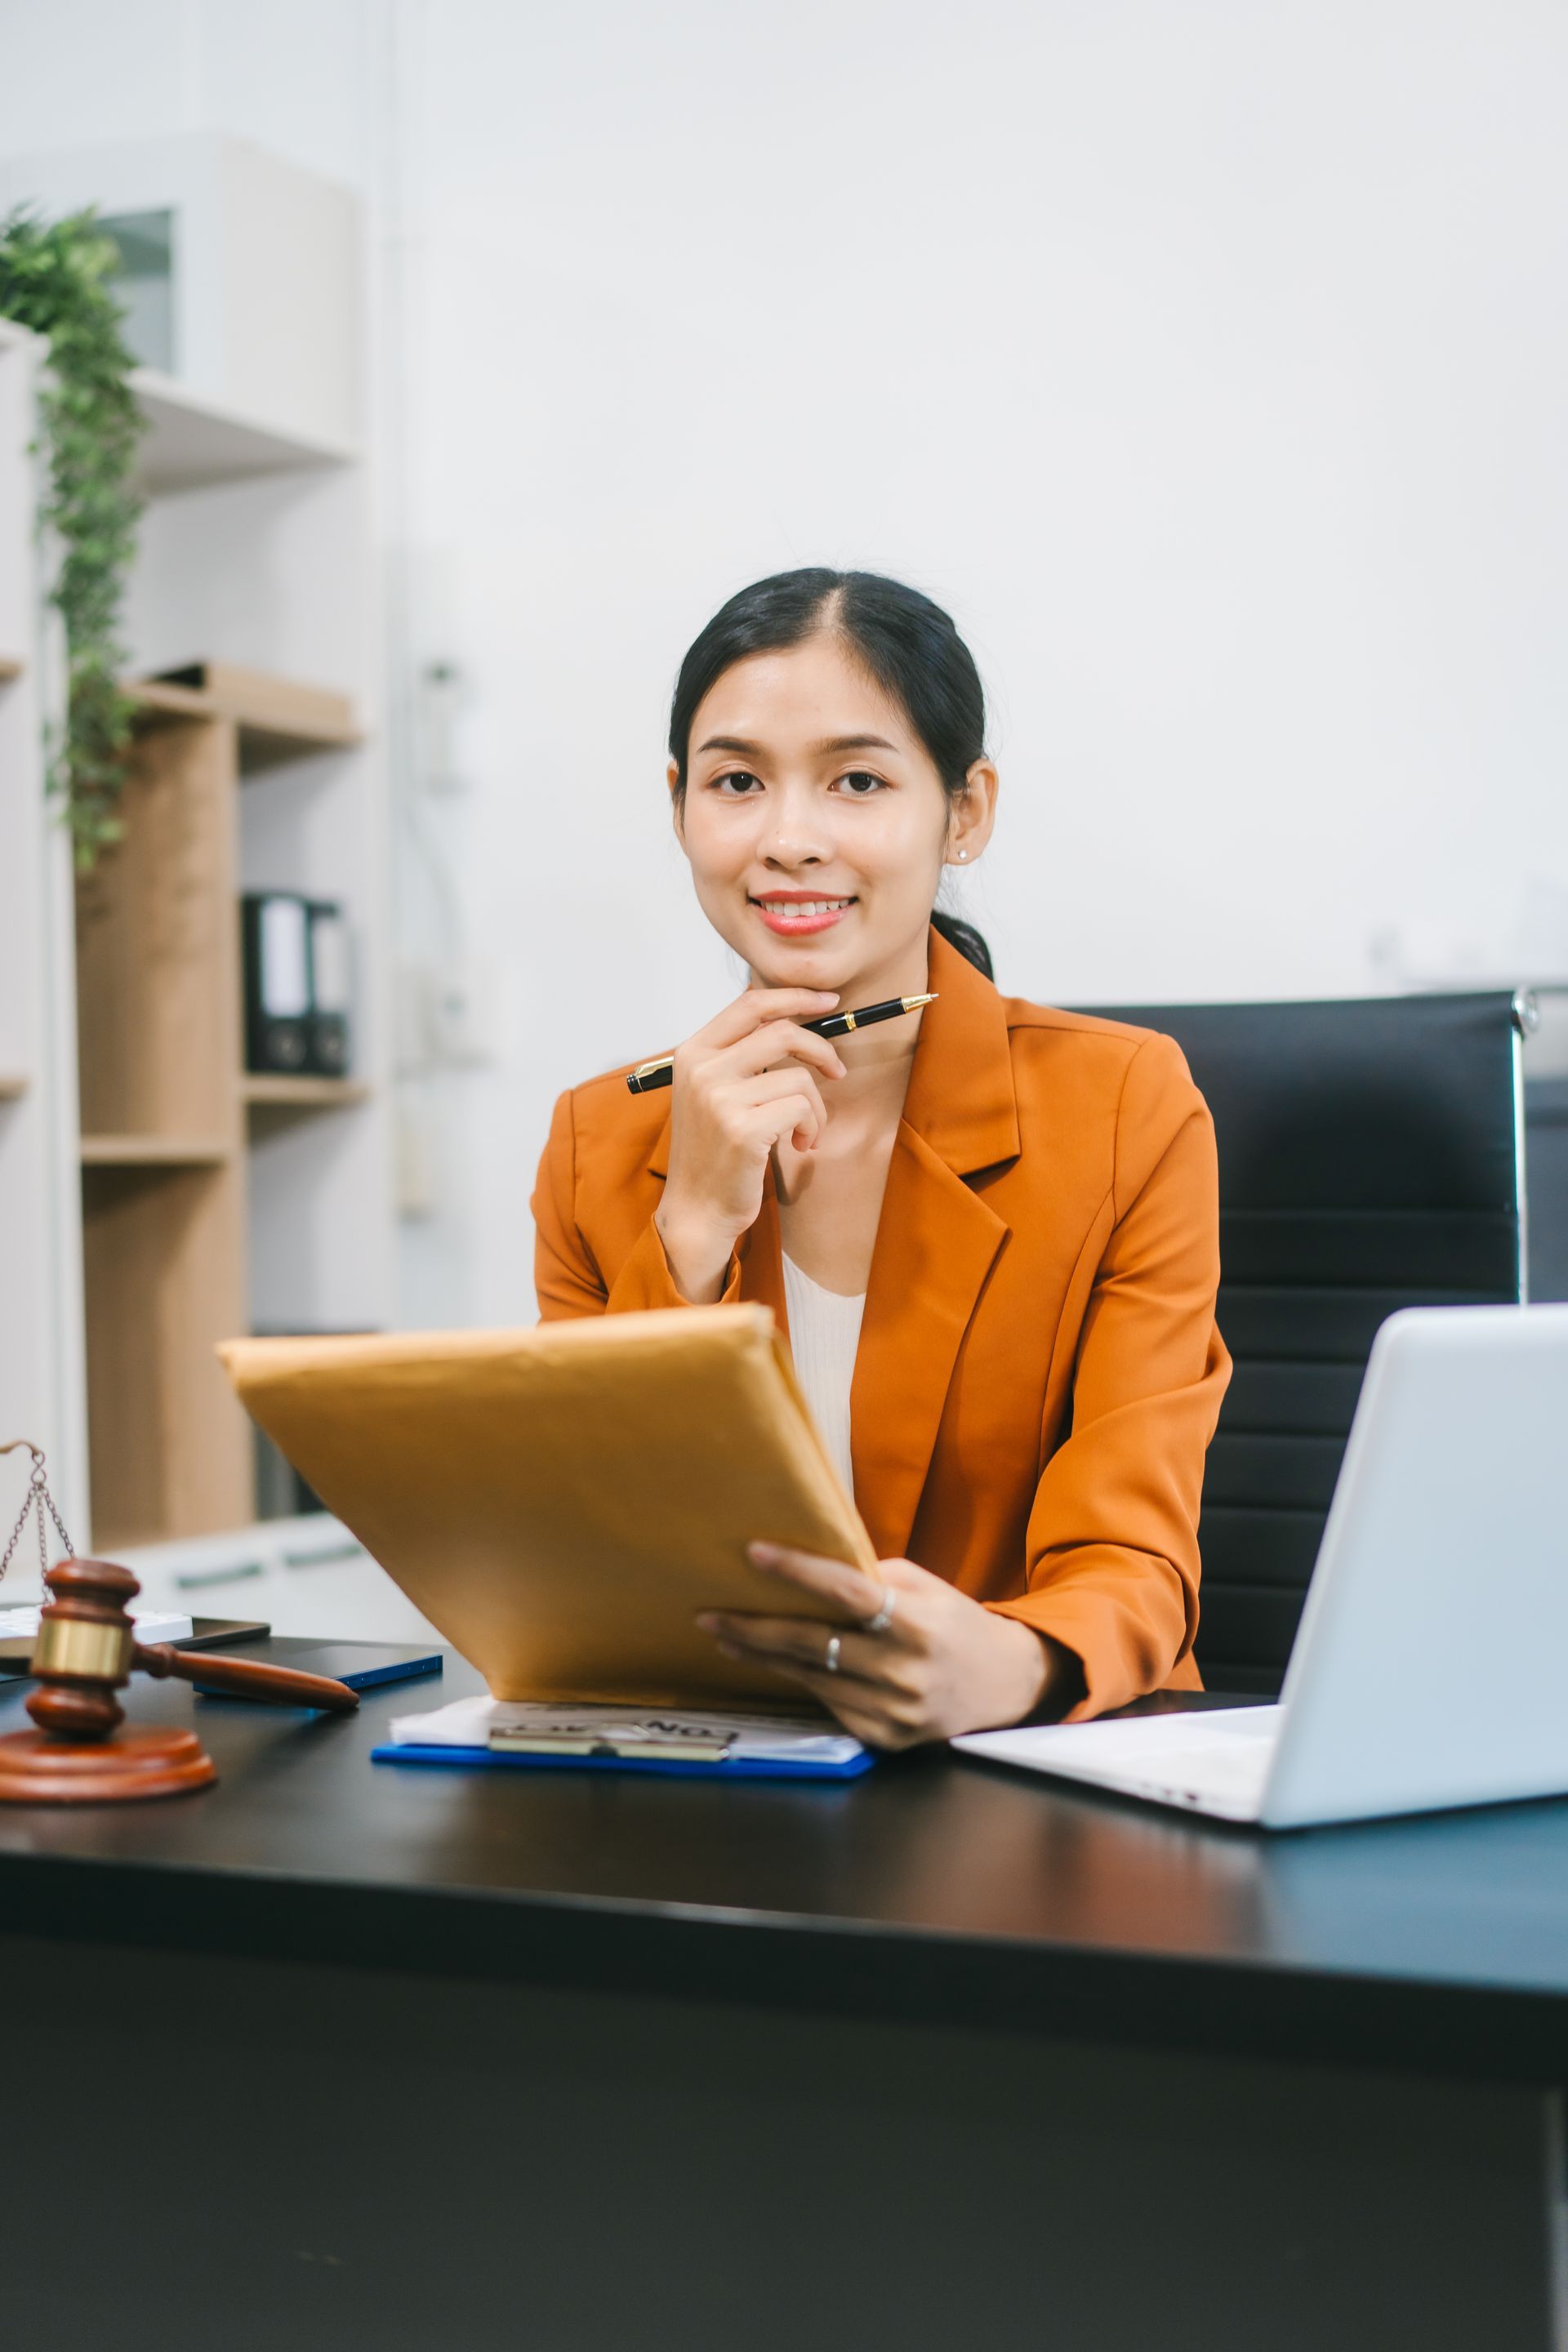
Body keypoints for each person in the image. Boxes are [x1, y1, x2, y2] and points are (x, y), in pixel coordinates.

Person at [532, 568, 1231, 1747]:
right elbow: (589, 1565)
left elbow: (1136, 1560)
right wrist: (692, 1231)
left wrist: (1008, 1667)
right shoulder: (601, 1141)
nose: (789, 839)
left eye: (858, 781)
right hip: (711, 1784)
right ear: (680, 805)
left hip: (1032, 1771)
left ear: (964, 813)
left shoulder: (1125, 1106)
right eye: (738, 782)